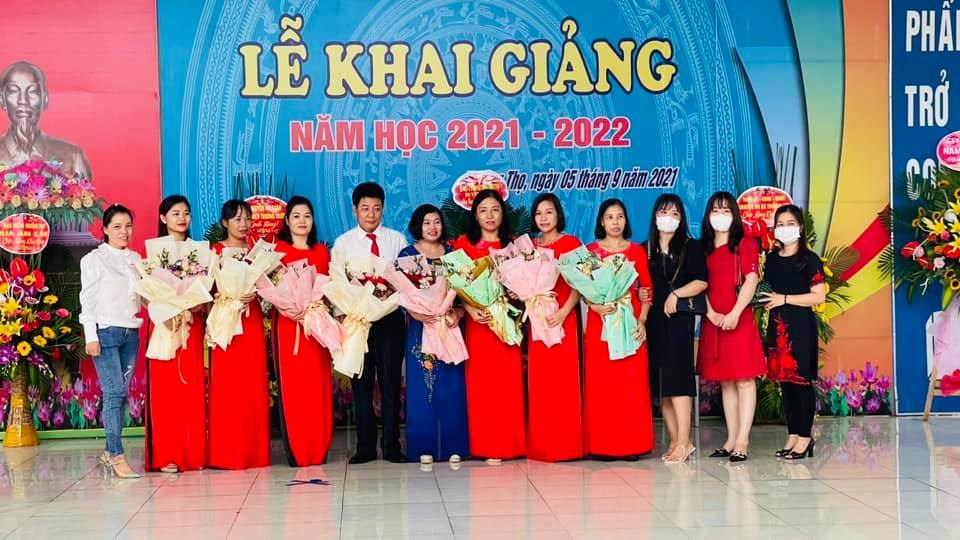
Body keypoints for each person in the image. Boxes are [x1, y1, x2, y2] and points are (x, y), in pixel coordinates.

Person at [332, 182, 408, 464]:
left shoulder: (397, 240)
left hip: (390, 319)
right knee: (361, 384)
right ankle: (364, 447)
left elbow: (405, 279)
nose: (371, 214)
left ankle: (391, 445)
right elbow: (338, 283)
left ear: (383, 209)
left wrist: (390, 293)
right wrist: (344, 314)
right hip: (358, 321)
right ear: (355, 210)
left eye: (376, 208)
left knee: (390, 383)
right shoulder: (343, 243)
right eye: (365, 208)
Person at [452, 189, 526, 463]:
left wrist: (519, 292)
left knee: (508, 384)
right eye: (483, 210)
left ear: (503, 213)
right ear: (475, 215)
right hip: (480, 323)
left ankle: (512, 444)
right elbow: (455, 283)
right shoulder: (464, 244)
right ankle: (486, 445)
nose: (490, 215)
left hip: (506, 321)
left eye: (495, 209)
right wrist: (470, 308)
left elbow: (525, 281)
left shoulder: (514, 245)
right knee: (483, 385)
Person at [582, 198, 654, 460]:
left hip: (629, 322)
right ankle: (602, 445)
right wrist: (593, 305)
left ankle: (632, 445)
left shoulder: (636, 251)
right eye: (610, 217)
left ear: (626, 220)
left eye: (620, 216)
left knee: (630, 384)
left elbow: (647, 289)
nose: (615, 222)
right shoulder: (590, 252)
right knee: (602, 384)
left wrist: (642, 320)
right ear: (601, 221)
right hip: (600, 322)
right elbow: (583, 289)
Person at [698, 191, 766, 462]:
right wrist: (711, 313)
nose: (720, 215)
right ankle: (730, 438)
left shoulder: (745, 244)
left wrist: (735, 312)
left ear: (735, 215)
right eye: (716, 210)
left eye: (726, 210)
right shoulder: (703, 249)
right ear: (708, 215)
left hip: (739, 319)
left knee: (745, 380)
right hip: (713, 320)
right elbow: (698, 284)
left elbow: (751, 279)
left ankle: (743, 440)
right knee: (726, 381)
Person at [400, 204, 468, 464]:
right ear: (418, 225)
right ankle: (422, 447)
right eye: (427, 222)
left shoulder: (453, 254)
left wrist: (458, 312)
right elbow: (401, 292)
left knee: (452, 385)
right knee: (423, 386)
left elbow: (467, 293)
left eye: (437, 221)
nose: (432, 227)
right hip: (421, 328)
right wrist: (415, 313)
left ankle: (454, 446)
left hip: (448, 327)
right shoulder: (408, 255)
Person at [144, 195, 207, 473]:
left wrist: (196, 302)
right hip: (165, 327)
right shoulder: (154, 253)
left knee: (190, 390)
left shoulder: (199, 251)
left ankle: (193, 454)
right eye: (175, 213)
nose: (182, 218)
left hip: (191, 325)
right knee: (166, 393)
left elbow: (206, 289)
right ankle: (167, 455)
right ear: (163, 218)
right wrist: (166, 309)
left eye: (186, 213)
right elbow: (148, 292)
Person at [79, 204, 142, 478]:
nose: (123, 231)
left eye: (128, 226)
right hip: (105, 332)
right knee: (114, 393)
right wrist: (90, 336)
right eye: (117, 226)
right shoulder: (94, 259)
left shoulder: (136, 259)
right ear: (105, 229)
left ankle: (108, 451)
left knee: (121, 394)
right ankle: (116, 455)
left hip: (131, 333)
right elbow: (87, 299)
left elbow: (144, 294)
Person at [759, 204, 826, 460]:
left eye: (790, 224)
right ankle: (793, 434)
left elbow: (818, 296)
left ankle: (805, 437)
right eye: (780, 224)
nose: (785, 228)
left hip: (800, 328)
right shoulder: (771, 260)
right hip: (777, 328)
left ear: (800, 227)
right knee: (785, 384)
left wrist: (784, 299)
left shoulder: (809, 259)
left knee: (801, 383)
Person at [644, 193, 707, 464]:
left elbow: (702, 281)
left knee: (679, 380)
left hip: (679, 321)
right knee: (662, 385)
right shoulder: (646, 249)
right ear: (655, 216)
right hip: (653, 322)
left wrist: (676, 294)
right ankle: (675, 440)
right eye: (663, 212)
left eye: (674, 213)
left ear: (681, 219)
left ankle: (684, 440)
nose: (668, 218)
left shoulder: (691, 247)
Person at [207, 199, 270, 469]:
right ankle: (227, 453)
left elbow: (270, 288)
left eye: (247, 219)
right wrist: (227, 295)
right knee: (228, 386)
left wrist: (258, 293)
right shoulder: (214, 252)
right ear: (225, 223)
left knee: (253, 383)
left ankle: (255, 453)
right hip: (226, 322)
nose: (244, 224)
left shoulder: (258, 251)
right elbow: (205, 289)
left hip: (251, 319)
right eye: (237, 219)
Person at [273, 196, 334, 466]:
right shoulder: (278, 251)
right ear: (287, 221)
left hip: (317, 327)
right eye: (296, 216)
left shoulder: (321, 252)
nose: (302, 221)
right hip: (289, 326)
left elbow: (329, 289)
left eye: (307, 216)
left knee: (317, 385)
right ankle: (298, 450)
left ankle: (318, 447)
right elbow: (270, 287)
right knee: (295, 386)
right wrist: (287, 310)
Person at [527, 194, 583, 462]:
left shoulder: (572, 244)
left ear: (558, 214)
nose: (544, 218)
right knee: (541, 383)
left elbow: (580, 283)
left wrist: (563, 312)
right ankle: (541, 446)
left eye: (549, 212)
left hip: (563, 319)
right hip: (538, 321)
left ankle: (567, 445)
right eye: (539, 213)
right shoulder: (529, 247)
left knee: (564, 382)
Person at [0, 61, 91, 178]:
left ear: (45, 99)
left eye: (32, 91)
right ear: (2, 100)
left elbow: (85, 189)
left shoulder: (72, 155)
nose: (23, 100)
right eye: (13, 91)